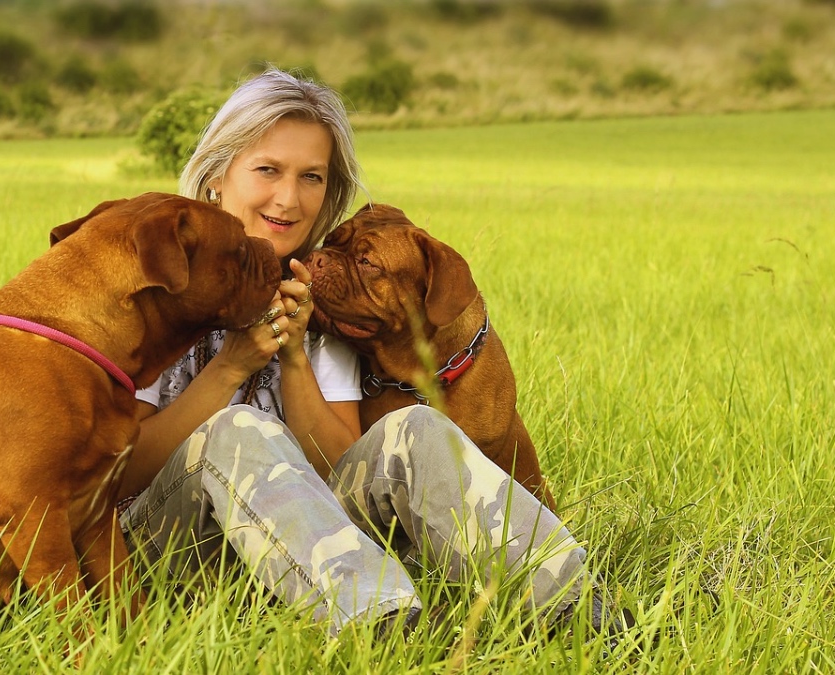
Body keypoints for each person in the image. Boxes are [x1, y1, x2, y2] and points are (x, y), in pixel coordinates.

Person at [116, 68, 617, 638]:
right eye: (267, 170)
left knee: (416, 429)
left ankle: (585, 616)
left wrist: (294, 354)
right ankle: (377, 627)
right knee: (239, 428)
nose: (289, 197)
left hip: (290, 553)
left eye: (312, 177)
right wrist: (231, 366)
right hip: (159, 550)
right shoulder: (156, 281)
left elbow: (340, 468)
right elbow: (120, 469)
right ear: (216, 174)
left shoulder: (323, 299)